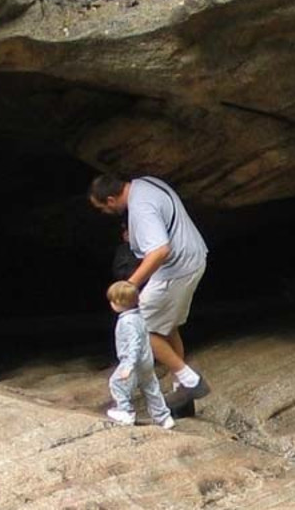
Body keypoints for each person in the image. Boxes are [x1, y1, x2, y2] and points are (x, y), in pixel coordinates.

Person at [89, 173, 211, 412]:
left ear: (111, 200)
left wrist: (131, 284)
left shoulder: (140, 208)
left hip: (175, 270)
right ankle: (182, 397)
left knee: (139, 326)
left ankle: (190, 380)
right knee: (167, 325)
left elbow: (159, 251)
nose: (104, 213)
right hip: (193, 259)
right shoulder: (146, 184)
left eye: (102, 208)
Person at [105, 280, 176, 429]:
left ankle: (125, 412)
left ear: (118, 302)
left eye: (112, 300)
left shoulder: (127, 321)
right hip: (146, 360)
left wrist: (128, 366)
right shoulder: (139, 316)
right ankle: (164, 417)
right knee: (151, 388)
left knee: (116, 383)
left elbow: (134, 343)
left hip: (133, 361)